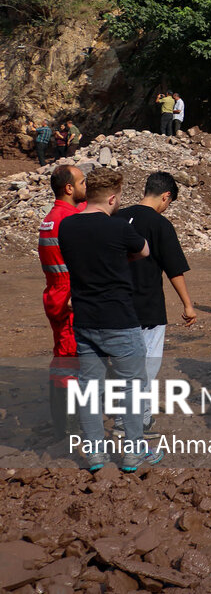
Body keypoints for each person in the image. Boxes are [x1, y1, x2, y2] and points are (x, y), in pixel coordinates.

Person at [58, 168, 161, 473]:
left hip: (85, 319)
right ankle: (132, 453)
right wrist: (120, 258)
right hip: (119, 319)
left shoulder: (67, 227)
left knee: (90, 388)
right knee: (132, 386)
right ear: (113, 198)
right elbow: (144, 251)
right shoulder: (119, 229)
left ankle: (94, 456)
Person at [115, 171, 198, 430]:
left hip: (115, 305)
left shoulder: (116, 217)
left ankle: (129, 415)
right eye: (169, 203)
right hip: (147, 305)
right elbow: (174, 269)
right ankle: (135, 420)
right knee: (147, 365)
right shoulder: (160, 225)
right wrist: (187, 304)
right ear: (166, 196)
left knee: (122, 364)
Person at [38, 164, 86, 437]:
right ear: (69, 188)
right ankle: (68, 425)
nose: (85, 186)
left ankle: (66, 419)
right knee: (69, 360)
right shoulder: (68, 220)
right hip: (68, 299)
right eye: (82, 182)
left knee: (63, 355)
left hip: (56, 296)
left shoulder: (52, 218)